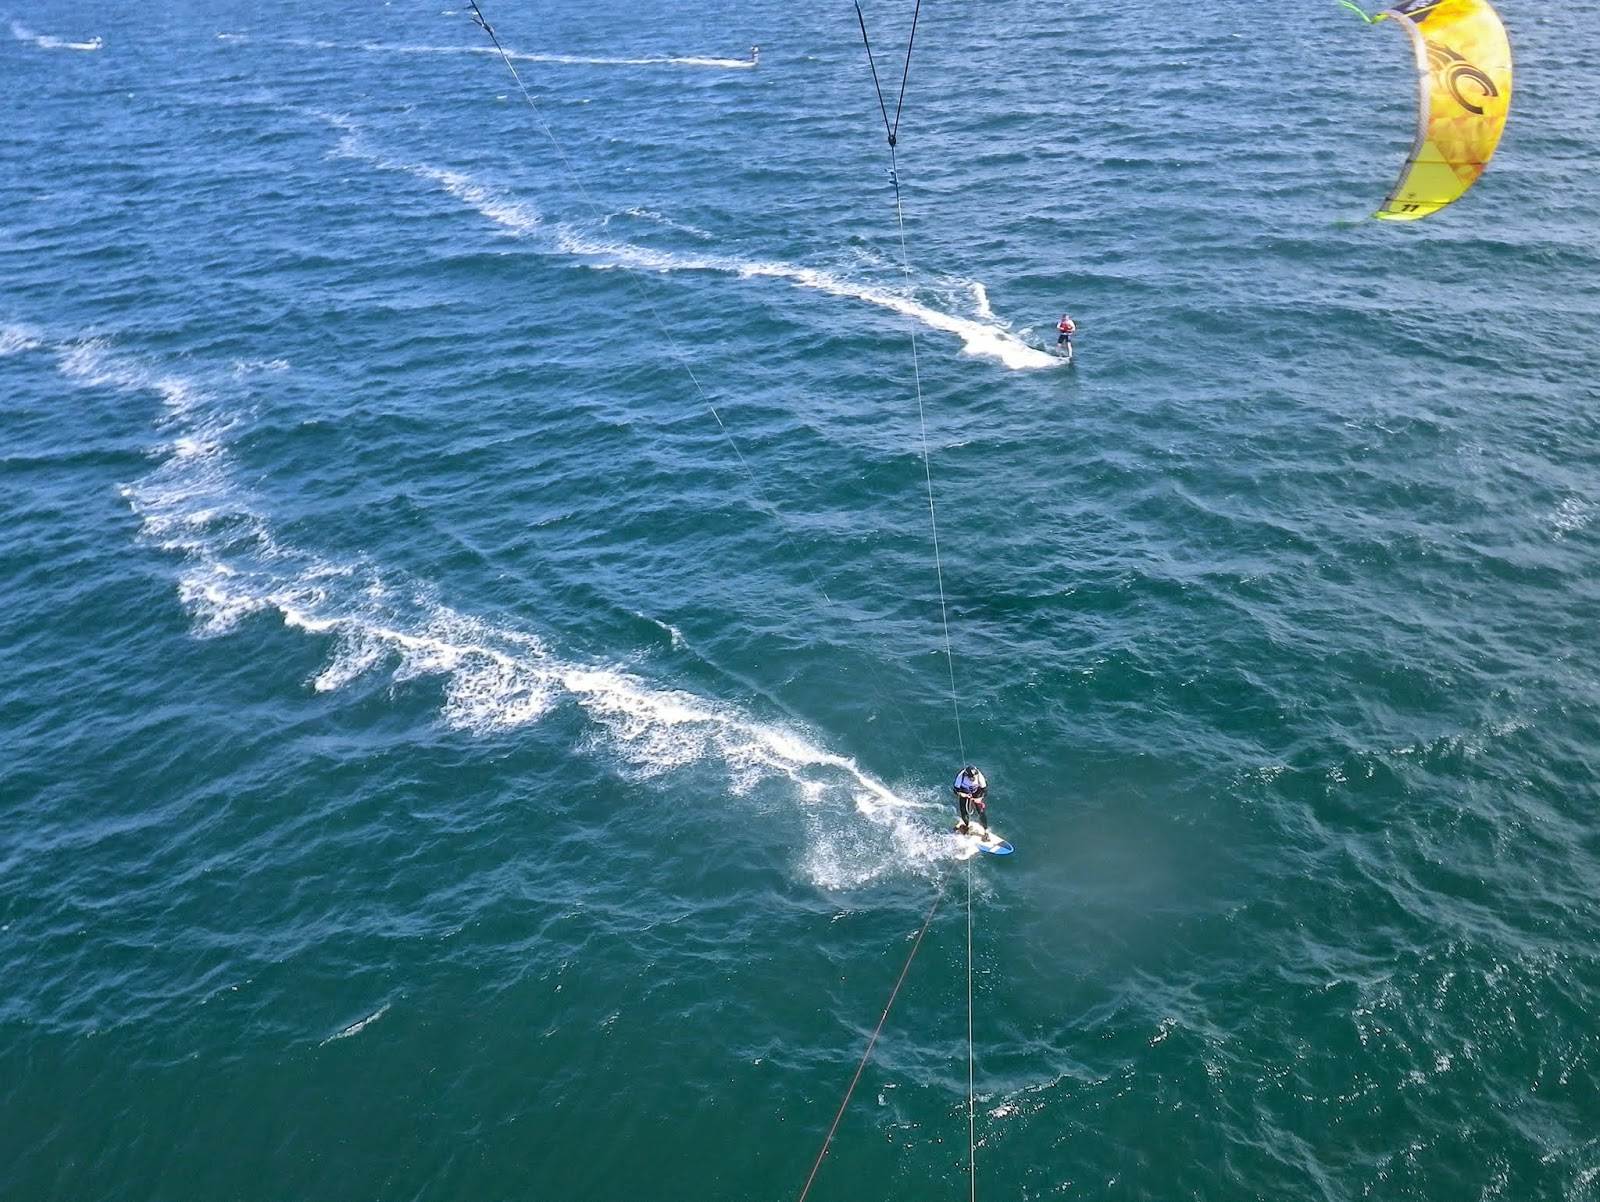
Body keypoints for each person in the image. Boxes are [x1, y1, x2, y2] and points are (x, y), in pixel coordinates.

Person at [952, 765, 989, 836]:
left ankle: (986, 831)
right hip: (964, 792)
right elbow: (955, 790)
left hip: (976, 792)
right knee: (963, 811)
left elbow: (985, 790)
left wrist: (980, 798)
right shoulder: (961, 777)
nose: (973, 778)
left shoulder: (979, 776)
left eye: (974, 776)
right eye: (971, 777)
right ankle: (966, 825)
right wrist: (961, 794)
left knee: (981, 811)